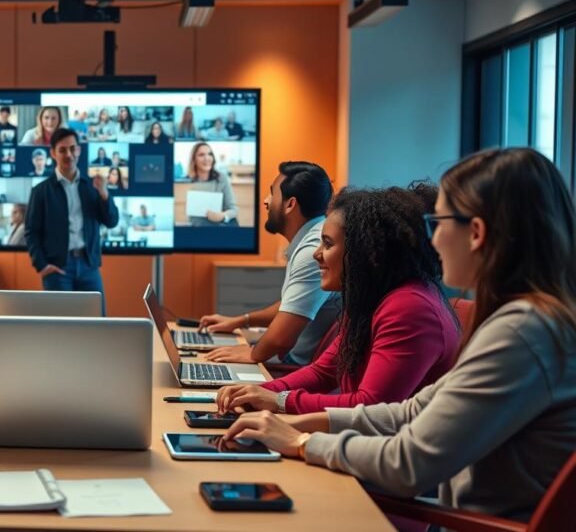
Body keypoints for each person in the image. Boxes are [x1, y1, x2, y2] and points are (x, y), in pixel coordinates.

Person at [219, 148, 576, 523]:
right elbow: (414, 410)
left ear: (475, 233)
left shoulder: (522, 332)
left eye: (438, 224)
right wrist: (298, 422)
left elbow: (409, 463)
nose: (433, 240)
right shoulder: (529, 322)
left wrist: (302, 442)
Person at [216, 185, 460, 415]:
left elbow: (370, 406)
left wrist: (279, 401)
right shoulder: (373, 299)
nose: (317, 253)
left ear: (367, 252)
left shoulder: (409, 307)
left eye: (328, 244)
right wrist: (257, 392)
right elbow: (324, 372)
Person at [200, 162, 339, 365]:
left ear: (290, 204)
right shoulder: (314, 237)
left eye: (272, 194)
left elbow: (280, 340)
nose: (266, 202)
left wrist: (253, 353)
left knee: (209, 362)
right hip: (292, 362)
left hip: (295, 370)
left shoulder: (313, 251)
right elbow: (291, 305)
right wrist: (241, 321)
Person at [25, 128, 119, 307]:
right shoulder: (41, 191)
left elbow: (111, 221)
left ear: (79, 150)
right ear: (53, 153)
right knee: (60, 328)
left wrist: (104, 193)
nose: (69, 154)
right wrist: (42, 265)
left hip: (88, 266)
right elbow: (31, 232)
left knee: (98, 326)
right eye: (62, 150)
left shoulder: (92, 187)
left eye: (72, 148)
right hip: (58, 268)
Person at [184, 142, 238, 226]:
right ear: (194, 160)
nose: (207, 158)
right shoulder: (186, 181)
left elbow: (234, 210)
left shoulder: (222, 178)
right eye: (201, 155)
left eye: (210, 154)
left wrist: (222, 216)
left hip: (218, 229)